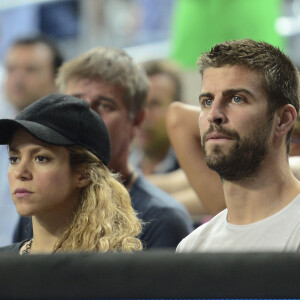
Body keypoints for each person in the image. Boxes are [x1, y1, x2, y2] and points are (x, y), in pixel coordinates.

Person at [16, 47, 193, 249]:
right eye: (75, 104)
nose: (85, 118)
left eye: (105, 105)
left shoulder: (162, 219)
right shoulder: (41, 203)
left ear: (136, 120)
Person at [167, 39, 300, 252]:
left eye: (237, 99)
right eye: (207, 101)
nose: (214, 115)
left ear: (283, 119)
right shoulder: (192, 248)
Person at [0, 94, 142, 254]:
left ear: (83, 174)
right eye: (14, 159)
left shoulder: (111, 268)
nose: (20, 172)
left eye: (40, 158)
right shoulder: (4, 262)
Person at [0, 35, 64, 247]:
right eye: (11, 69)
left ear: (57, 78)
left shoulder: (69, 140)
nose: (18, 79)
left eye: (30, 70)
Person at [130, 59, 208, 217]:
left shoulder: (201, 165)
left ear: (180, 108)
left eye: (154, 104)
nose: (142, 116)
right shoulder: (122, 162)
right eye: (137, 104)